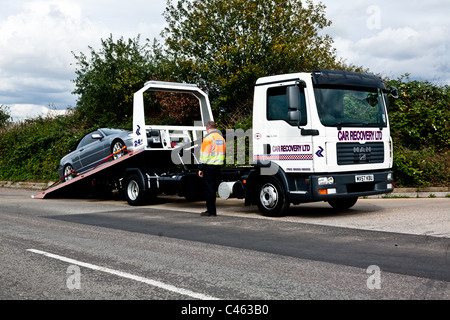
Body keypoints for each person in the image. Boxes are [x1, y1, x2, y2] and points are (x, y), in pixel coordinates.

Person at [198, 121, 225, 217]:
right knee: (213, 189)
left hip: (209, 166)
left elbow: (204, 155)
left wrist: (201, 168)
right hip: (218, 166)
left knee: (209, 189)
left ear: (207, 128)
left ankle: (211, 211)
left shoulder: (208, 138)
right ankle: (212, 210)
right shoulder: (221, 138)